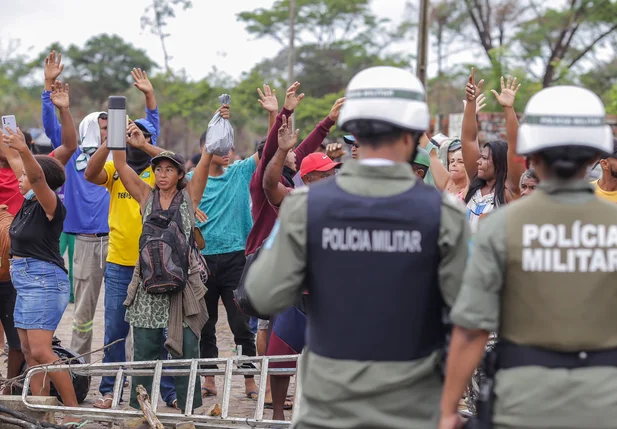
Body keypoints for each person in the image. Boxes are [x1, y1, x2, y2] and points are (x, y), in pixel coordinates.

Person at [245, 66, 470, 429]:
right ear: (414, 134)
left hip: (328, 413)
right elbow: (471, 320)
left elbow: (262, 293)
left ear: (354, 134)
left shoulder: (306, 206)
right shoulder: (446, 214)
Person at [439, 85, 617, 429]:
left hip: (521, 402)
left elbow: (472, 329)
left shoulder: (502, 225)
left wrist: (447, 410)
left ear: (530, 155)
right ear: (596, 157)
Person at [84, 102, 176, 409]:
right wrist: (110, 144)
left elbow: (178, 167)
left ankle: (169, 392)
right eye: (128, 133)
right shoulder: (116, 168)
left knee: (159, 332)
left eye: (138, 134)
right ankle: (110, 390)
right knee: (114, 331)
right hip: (119, 264)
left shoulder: (161, 172)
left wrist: (146, 145)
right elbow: (90, 173)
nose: (132, 138)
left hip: (157, 265)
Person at [113, 123, 210, 412]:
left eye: (169, 169)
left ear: (181, 174)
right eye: (158, 169)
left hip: (183, 290)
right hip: (148, 288)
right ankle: (141, 406)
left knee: (187, 348)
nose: (162, 174)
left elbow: (204, 161)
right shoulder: (146, 196)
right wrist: (119, 123)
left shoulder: (190, 197)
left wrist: (219, 123)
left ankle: (188, 409)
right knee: (144, 349)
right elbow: (119, 162)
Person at [1, 127, 80, 424]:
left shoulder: (51, 206)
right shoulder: (27, 204)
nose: (19, 177)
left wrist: (23, 149)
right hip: (26, 283)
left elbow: (33, 175)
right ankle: (39, 411)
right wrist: (10, 140)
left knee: (42, 351)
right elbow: (17, 161)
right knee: (29, 353)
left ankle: (72, 413)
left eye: (24, 176)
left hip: (44, 282)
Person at [184, 105, 262, 399]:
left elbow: (267, 153)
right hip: (202, 261)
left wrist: (274, 114)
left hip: (236, 259)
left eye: (229, 146)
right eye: (219, 146)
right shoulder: (192, 179)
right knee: (205, 325)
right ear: (205, 148)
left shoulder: (240, 173)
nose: (226, 152)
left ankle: (250, 381)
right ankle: (209, 380)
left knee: (241, 324)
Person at [41, 51, 112, 362]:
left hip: (119, 241)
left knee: (122, 310)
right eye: (103, 127)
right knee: (83, 310)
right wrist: (48, 87)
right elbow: (52, 127)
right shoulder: (73, 156)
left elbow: (151, 128)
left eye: (112, 128)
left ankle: (119, 369)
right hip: (84, 241)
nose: (108, 133)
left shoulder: (118, 159)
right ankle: (79, 366)